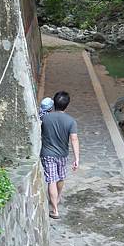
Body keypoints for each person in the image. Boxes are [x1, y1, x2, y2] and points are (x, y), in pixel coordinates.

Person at [40, 91, 79, 219]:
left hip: (47, 154)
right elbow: (74, 140)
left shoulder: (45, 118)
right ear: (66, 105)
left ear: (54, 103)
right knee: (60, 178)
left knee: (51, 180)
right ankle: (58, 197)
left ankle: (55, 210)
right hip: (62, 154)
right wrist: (76, 159)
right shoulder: (71, 121)